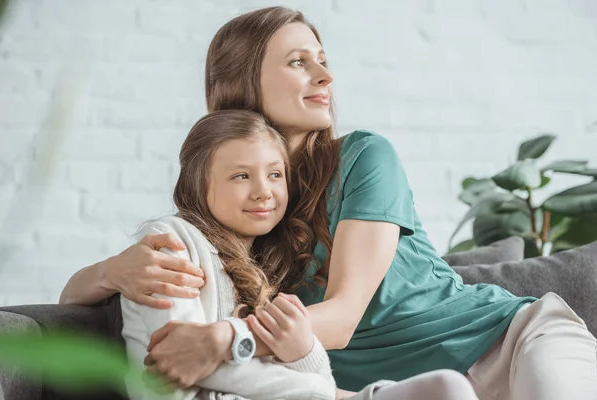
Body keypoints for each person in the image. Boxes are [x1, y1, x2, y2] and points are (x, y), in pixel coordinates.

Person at [61, 6, 597, 400]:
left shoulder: (364, 157)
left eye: (322, 60)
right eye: (299, 62)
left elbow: (339, 318)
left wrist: (225, 340)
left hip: (510, 343)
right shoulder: (238, 209)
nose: (325, 76)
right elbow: (73, 305)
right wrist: (113, 271)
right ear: (239, 82)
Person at [122, 109, 479, 400]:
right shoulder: (171, 244)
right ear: (198, 185)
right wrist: (321, 389)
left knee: (448, 388)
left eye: (275, 174)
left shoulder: (269, 269)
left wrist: (303, 353)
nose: (264, 192)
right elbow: (178, 364)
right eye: (241, 176)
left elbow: (311, 370)